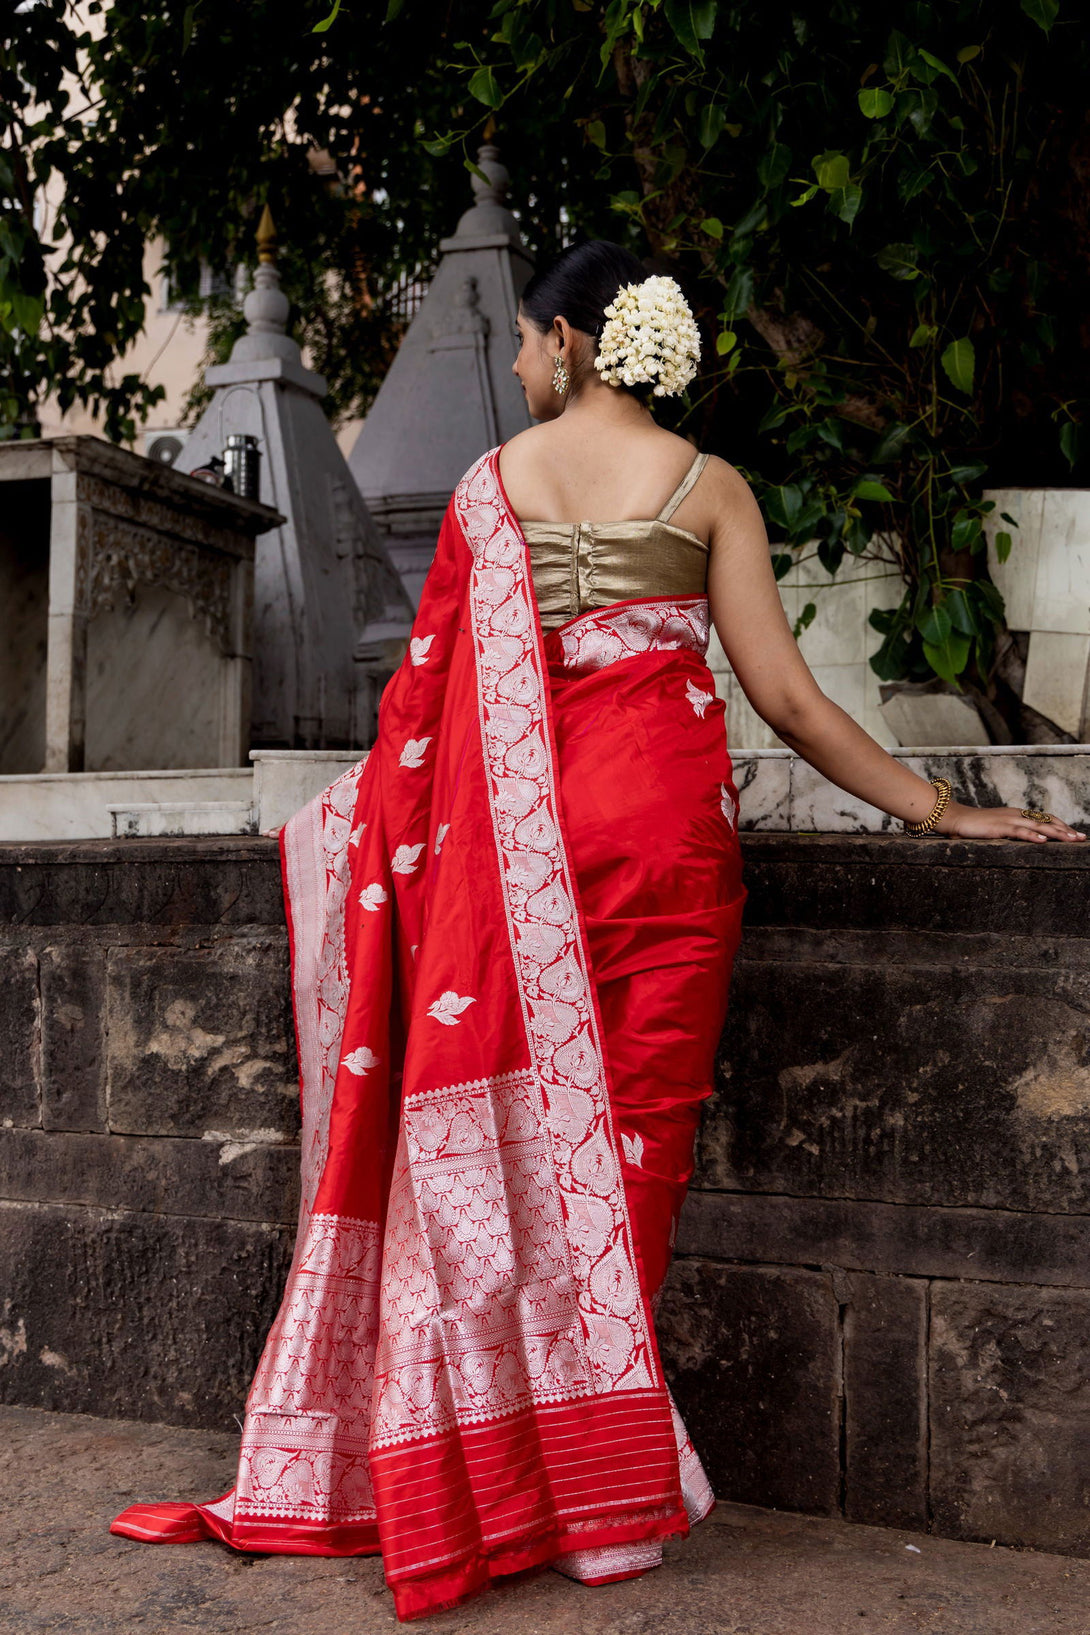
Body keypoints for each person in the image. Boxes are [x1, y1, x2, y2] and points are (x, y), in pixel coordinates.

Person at [111, 240, 1085, 1623]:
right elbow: (792, 706)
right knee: (631, 1153)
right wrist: (941, 809)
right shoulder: (708, 489)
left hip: (515, 863)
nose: (514, 366)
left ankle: (545, 1483)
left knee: (511, 1171)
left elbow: (422, 708)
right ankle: (606, 1504)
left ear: (570, 344)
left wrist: (349, 827)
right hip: (668, 847)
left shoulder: (488, 492)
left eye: (522, 342)